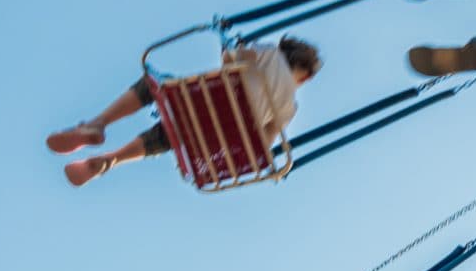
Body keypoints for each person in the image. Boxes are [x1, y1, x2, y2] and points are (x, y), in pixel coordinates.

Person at [46, 36, 323, 187]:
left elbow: (230, 60)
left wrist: (233, 48)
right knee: (173, 137)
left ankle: (98, 123)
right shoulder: (289, 107)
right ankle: (112, 160)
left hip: (198, 102)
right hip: (211, 135)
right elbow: (262, 145)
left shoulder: (267, 52)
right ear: (305, 78)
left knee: (155, 86)